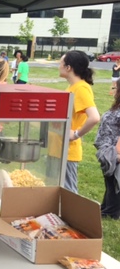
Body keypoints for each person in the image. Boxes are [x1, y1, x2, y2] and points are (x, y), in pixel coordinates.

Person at [57, 50, 100, 193]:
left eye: (61, 63)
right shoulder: (72, 87)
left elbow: (94, 117)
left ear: (68, 67)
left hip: (68, 151)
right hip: (60, 149)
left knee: (69, 194)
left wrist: (76, 134)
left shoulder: (81, 88)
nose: (59, 66)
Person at [94, 86, 120, 219]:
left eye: (117, 88)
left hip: (114, 151)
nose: (114, 90)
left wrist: (117, 154)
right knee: (110, 181)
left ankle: (111, 212)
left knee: (114, 181)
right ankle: (106, 207)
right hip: (108, 150)